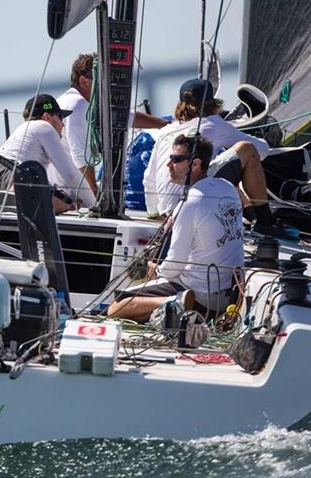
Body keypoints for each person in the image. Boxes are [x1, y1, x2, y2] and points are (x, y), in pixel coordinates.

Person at [108, 134, 243, 322]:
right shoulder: (227, 188)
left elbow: (174, 265)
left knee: (116, 305)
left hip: (198, 293)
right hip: (228, 295)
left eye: (176, 160)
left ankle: (175, 302)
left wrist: (155, 270)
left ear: (195, 164)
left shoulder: (189, 203)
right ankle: (176, 307)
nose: (168, 165)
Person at [143, 78, 282, 237]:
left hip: (166, 212)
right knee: (246, 150)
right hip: (190, 204)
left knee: (216, 165)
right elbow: (262, 150)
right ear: (212, 103)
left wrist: (154, 214)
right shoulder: (214, 124)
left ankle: (250, 215)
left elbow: (149, 178)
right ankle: (265, 222)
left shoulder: (166, 130)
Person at [54, 53, 170, 193]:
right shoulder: (77, 104)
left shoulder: (83, 103)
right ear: (84, 81)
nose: (108, 88)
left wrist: (166, 125)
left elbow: (126, 117)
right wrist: (93, 194)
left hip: (67, 185)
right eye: (103, 81)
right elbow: (81, 155)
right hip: (68, 190)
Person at [0, 93, 96, 214]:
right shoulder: (44, 127)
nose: (63, 124)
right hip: (7, 170)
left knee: (61, 201)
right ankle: (15, 197)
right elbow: (71, 174)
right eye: (60, 117)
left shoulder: (24, 133)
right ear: (47, 117)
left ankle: (15, 200)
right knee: (27, 175)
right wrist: (93, 205)